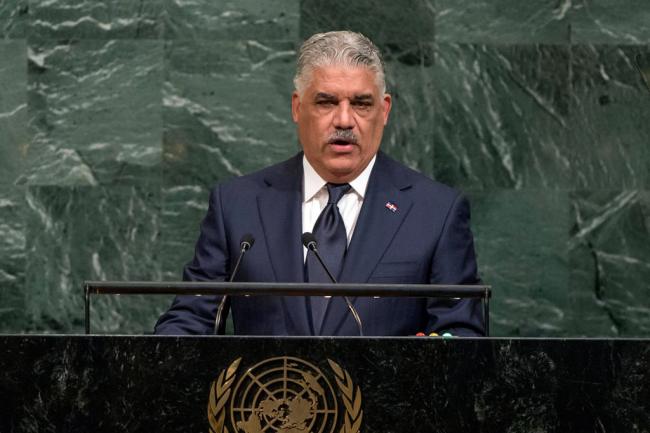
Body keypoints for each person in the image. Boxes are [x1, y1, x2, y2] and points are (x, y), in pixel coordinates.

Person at [154, 31, 484, 336]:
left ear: (384, 111)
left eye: (361, 104)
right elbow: (190, 320)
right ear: (298, 108)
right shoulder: (237, 205)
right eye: (326, 102)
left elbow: (462, 334)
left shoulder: (436, 212)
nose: (344, 120)